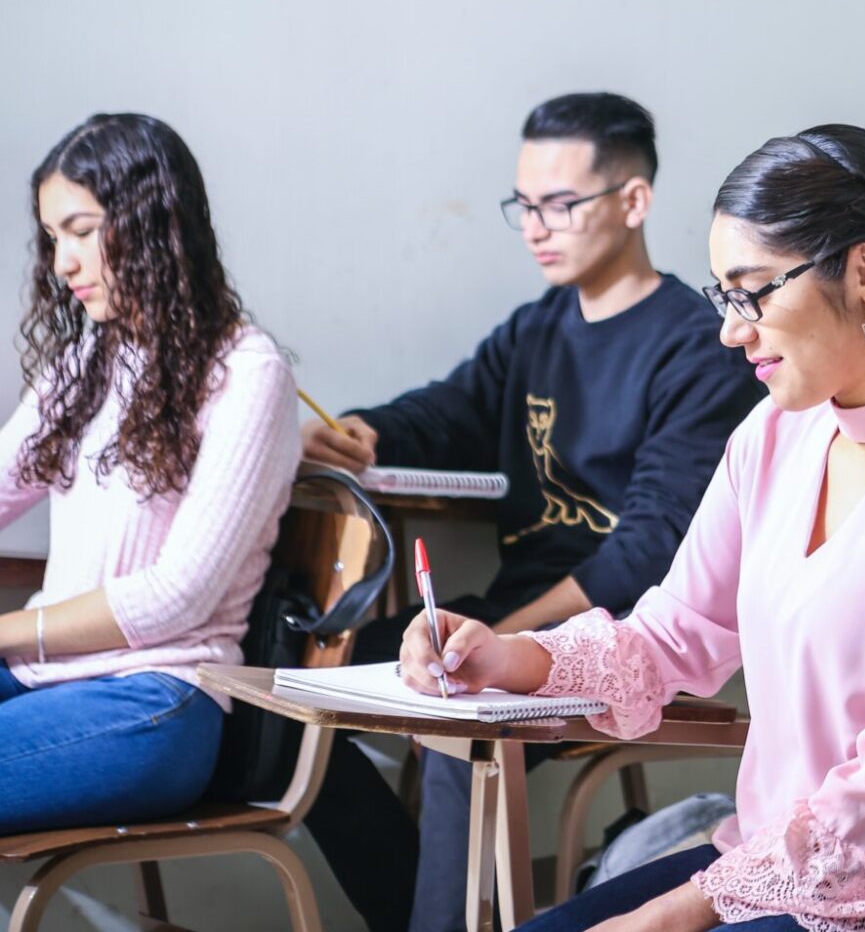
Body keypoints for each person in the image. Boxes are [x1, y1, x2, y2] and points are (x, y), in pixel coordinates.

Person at [407, 124, 865, 932]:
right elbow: (672, 634)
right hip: (786, 865)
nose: (733, 329)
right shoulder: (774, 435)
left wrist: (664, 919)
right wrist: (503, 657)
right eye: (723, 296)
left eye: (754, 291)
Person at [299, 92, 763, 932]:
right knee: (312, 700)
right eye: (525, 206)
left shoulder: (698, 347)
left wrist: (507, 642)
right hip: (516, 616)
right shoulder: (538, 328)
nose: (537, 227)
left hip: (623, 633)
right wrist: (361, 432)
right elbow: (452, 411)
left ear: (633, 201)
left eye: (561, 204)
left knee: (459, 734)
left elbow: (645, 556)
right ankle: (418, 914)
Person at [0, 114, 299, 833]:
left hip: (154, 701)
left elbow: (176, 597)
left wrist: (5, 631)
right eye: (52, 238)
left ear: (152, 219)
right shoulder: (83, 365)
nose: (63, 262)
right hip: (42, 681)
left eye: (81, 230)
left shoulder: (248, 373)